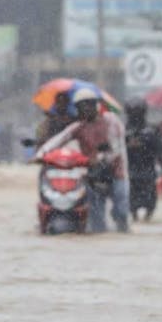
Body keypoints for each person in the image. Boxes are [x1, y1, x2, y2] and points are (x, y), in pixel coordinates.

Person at [34, 88, 130, 233]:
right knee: (96, 214)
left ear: (95, 105)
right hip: (93, 174)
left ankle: (123, 231)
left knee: (121, 209)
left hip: (116, 172)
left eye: (88, 105)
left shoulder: (111, 121)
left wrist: (101, 158)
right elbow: (58, 140)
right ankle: (101, 235)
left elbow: (116, 148)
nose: (85, 109)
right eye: (81, 106)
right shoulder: (78, 127)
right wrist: (40, 155)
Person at [124, 99, 162, 221]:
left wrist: (143, 144)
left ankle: (147, 217)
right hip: (130, 169)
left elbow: (159, 148)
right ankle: (135, 216)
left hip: (147, 169)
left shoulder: (152, 130)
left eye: (138, 111)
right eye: (133, 112)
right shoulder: (122, 130)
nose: (135, 114)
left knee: (150, 199)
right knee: (132, 198)